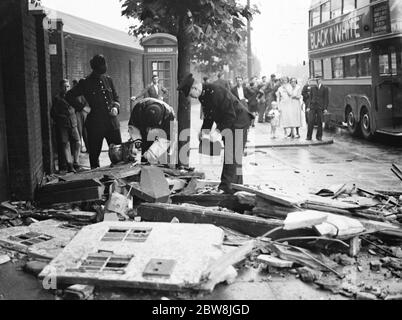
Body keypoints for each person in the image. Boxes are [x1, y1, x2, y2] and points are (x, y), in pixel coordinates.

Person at [178, 73, 254, 194]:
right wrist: (204, 131)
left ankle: (225, 188)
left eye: (191, 94)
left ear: (195, 88)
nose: (191, 97)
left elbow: (230, 115)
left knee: (232, 156)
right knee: (234, 157)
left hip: (239, 122)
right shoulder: (203, 95)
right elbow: (209, 116)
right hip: (231, 122)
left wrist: (217, 132)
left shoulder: (216, 91)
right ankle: (236, 187)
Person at [66, 54, 122, 169]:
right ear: (97, 66)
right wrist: (83, 108)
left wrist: (115, 107)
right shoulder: (85, 82)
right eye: (103, 64)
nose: (105, 66)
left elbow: (116, 98)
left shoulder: (108, 80)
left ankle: (118, 181)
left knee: (119, 155)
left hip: (112, 124)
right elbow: (69, 95)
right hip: (95, 125)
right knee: (94, 157)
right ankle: (97, 183)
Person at [128, 97, 175, 163]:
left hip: (160, 135)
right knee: (139, 155)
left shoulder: (169, 115)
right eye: (149, 127)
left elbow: (166, 139)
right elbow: (133, 129)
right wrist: (137, 149)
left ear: (160, 121)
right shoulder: (138, 109)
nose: (149, 130)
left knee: (155, 159)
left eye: (152, 128)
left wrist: (151, 154)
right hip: (142, 131)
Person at [51, 79, 82, 173]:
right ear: (60, 88)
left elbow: (77, 108)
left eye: (68, 86)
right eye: (64, 86)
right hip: (63, 125)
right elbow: (53, 112)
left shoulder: (73, 96)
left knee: (78, 142)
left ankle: (76, 162)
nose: (66, 88)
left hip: (73, 123)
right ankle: (70, 165)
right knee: (66, 144)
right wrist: (61, 118)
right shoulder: (57, 98)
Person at [307, 76, 329, 141]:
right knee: (310, 121)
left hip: (320, 107)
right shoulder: (312, 88)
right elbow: (310, 98)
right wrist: (308, 107)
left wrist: (325, 108)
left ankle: (319, 136)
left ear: (321, 80)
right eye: (317, 80)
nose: (318, 81)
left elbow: (326, 99)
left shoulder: (325, 88)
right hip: (312, 106)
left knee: (320, 122)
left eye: (319, 80)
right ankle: (309, 136)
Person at [72, 80, 90, 153]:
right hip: (84, 112)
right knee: (84, 131)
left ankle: (81, 149)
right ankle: (88, 148)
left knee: (81, 131)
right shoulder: (84, 92)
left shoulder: (76, 93)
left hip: (79, 113)